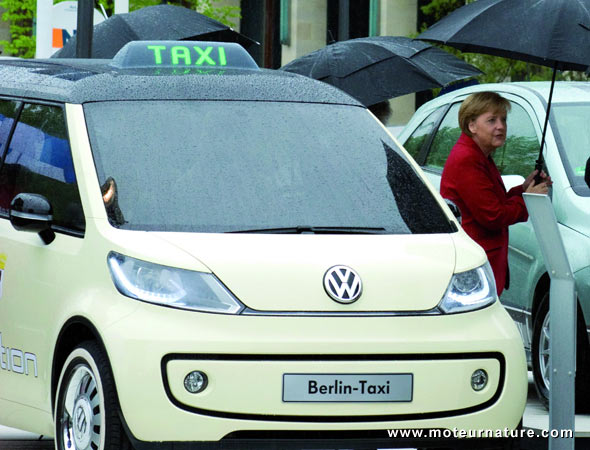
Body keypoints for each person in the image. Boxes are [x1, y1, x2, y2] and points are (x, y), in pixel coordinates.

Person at [440, 91, 552, 295]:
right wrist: (529, 200)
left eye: (503, 119)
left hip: (481, 263)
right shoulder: (468, 159)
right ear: (472, 125)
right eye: (491, 120)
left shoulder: (479, 154)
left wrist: (524, 189)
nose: (500, 126)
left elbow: (492, 201)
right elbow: (493, 215)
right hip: (474, 268)